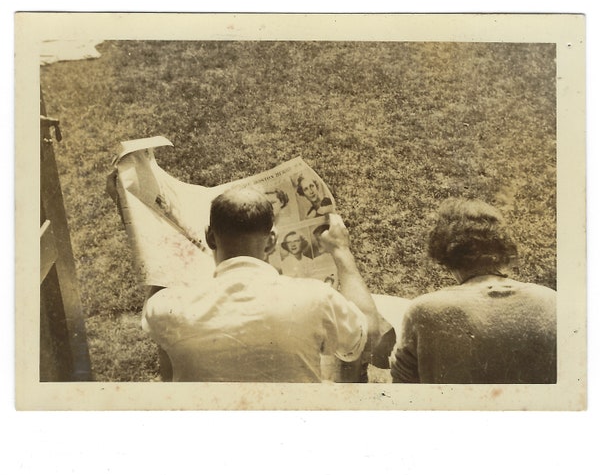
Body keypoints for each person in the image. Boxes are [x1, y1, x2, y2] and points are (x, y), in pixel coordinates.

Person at [142, 187, 384, 382]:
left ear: (210, 237)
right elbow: (370, 336)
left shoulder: (166, 307)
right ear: (272, 241)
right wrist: (342, 251)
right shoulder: (317, 298)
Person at [391, 198, 557, 384]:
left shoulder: (424, 311)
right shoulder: (551, 301)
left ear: (444, 254)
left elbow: (403, 389)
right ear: (504, 249)